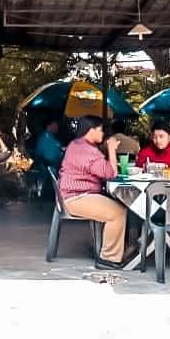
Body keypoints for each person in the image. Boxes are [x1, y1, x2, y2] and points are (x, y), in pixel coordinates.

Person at [58, 115, 130, 271]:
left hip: (72, 195)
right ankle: (108, 259)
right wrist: (111, 149)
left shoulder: (75, 145)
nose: (103, 133)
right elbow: (111, 173)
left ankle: (113, 248)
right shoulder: (88, 151)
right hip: (77, 198)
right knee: (118, 213)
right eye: (100, 130)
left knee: (116, 204)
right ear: (91, 130)